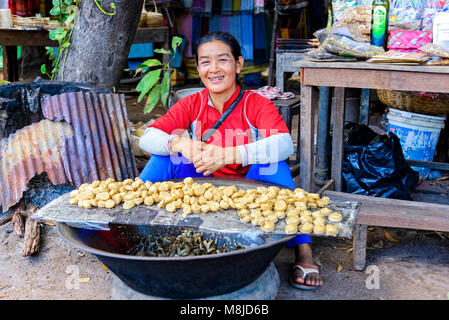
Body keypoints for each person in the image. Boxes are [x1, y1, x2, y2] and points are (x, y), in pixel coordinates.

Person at [138, 31, 323, 290]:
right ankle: (130, 231)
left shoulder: (255, 103)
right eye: (205, 62)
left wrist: (228, 155)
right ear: (198, 68)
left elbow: (284, 144)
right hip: (203, 186)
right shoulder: (192, 103)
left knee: (274, 164)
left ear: (238, 64)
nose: (213, 69)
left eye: (223, 60)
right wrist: (180, 143)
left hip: (249, 187)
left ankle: (304, 252)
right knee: (164, 156)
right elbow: (146, 137)